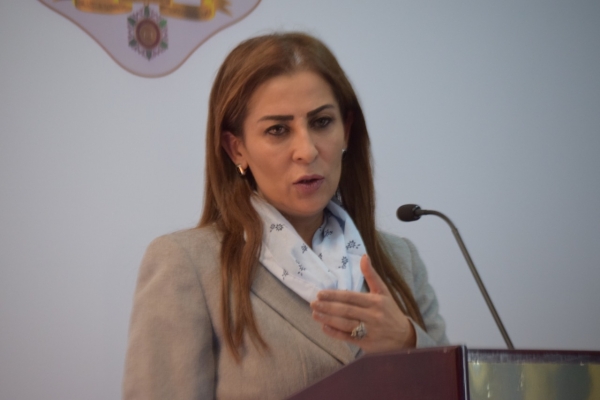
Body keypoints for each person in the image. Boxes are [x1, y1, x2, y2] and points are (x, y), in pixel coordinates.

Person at [123, 32, 448, 400]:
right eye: (277, 130)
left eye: (321, 122)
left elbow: (457, 387)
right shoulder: (188, 265)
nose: (306, 150)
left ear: (346, 131)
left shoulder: (401, 260)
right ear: (236, 148)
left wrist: (406, 341)